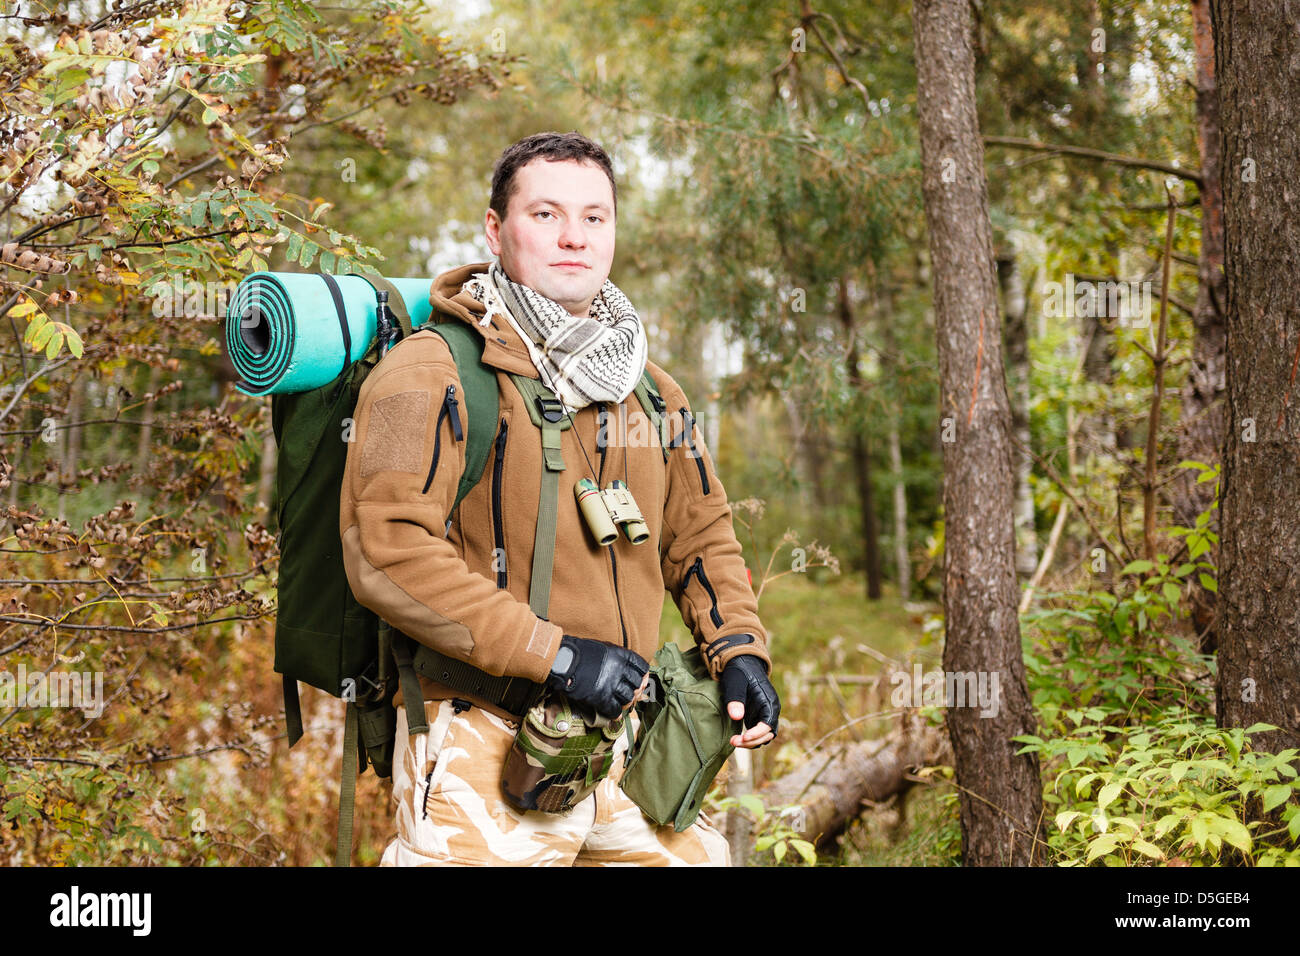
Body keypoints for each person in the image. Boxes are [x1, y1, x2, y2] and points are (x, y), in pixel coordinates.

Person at [340, 131, 779, 866]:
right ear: (495, 230)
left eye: (594, 217)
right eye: (545, 215)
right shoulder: (432, 371)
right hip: (482, 734)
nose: (574, 236)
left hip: (629, 746)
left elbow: (701, 536)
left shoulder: (650, 388)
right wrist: (556, 654)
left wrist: (739, 651)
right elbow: (386, 553)